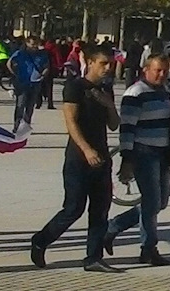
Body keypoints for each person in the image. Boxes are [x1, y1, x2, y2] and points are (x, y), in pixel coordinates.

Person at [30, 44, 121, 272]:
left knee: (100, 209)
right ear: (90, 63)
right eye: (103, 64)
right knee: (73, 208)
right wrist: (86, 150)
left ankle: (93, 257)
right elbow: (71, 122)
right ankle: (41, 240)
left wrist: (110, 105)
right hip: (78, 158)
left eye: (110, 64)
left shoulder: (106, 90)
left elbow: (113, 125)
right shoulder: (75, 87)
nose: (107, 68)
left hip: (101, 156)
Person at [102, 53, 170, 267]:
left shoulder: (163, 91)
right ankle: (148, 248)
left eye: (165, 70)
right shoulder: (135, 93)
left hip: (163, 152)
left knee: (159, 203)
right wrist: (127, 159)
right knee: (152, 202)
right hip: (144, 153)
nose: (162, 75)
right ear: (146, 69)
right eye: (157, 70)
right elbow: (127, 129)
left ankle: (112, 227)